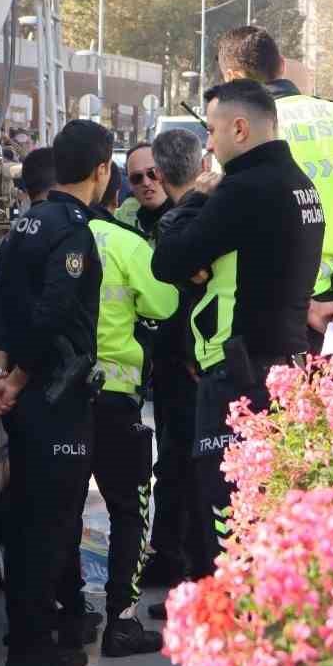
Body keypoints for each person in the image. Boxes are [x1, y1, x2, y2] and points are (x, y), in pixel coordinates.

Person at [152, 80, 325, 578]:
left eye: (212, 131)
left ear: (240, 128)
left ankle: (230, 620)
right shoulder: (299, 183)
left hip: (238, 376)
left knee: (226, 522)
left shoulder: (243, 188)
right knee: (269, 518)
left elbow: (168, 261)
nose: (208, 144)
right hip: (285, 367)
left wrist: (192, 201)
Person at [0, 120, 111, 666]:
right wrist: (18, 380)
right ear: (102, 170)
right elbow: (55, 313)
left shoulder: (26, 223)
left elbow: (0, 301)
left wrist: (1, 374)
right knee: (50, 528)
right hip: (56, 396)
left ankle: (31, 640)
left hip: (26, 396)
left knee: (29, 522)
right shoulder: (74, 231)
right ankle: (33, 656)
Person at [216, 26, 333, 341]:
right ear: (282, 65)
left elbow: (231, 226)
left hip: (269, 308)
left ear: (232, 77)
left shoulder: (241, 130)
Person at [86, 198, 180, 655]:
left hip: (56, 401)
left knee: (56, 512)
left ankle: (66, 616)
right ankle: (121, 622)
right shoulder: (125, 244)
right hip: (115, 397)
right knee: (129, 511)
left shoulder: (46, 238)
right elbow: (164, 304)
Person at [139, 128, 210, 592]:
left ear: (162, 175)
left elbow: (182, 293)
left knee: (179, 465)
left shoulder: (178, 222)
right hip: (200, 357)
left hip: (184, 360)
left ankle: (176, 561)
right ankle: (182, 560)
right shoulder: (216, 211)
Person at [114, 143, 168, 238]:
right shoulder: (122, 215)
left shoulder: (189, 214)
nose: (146, 183)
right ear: (129, 184)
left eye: (153, 173)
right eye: (137, 177)